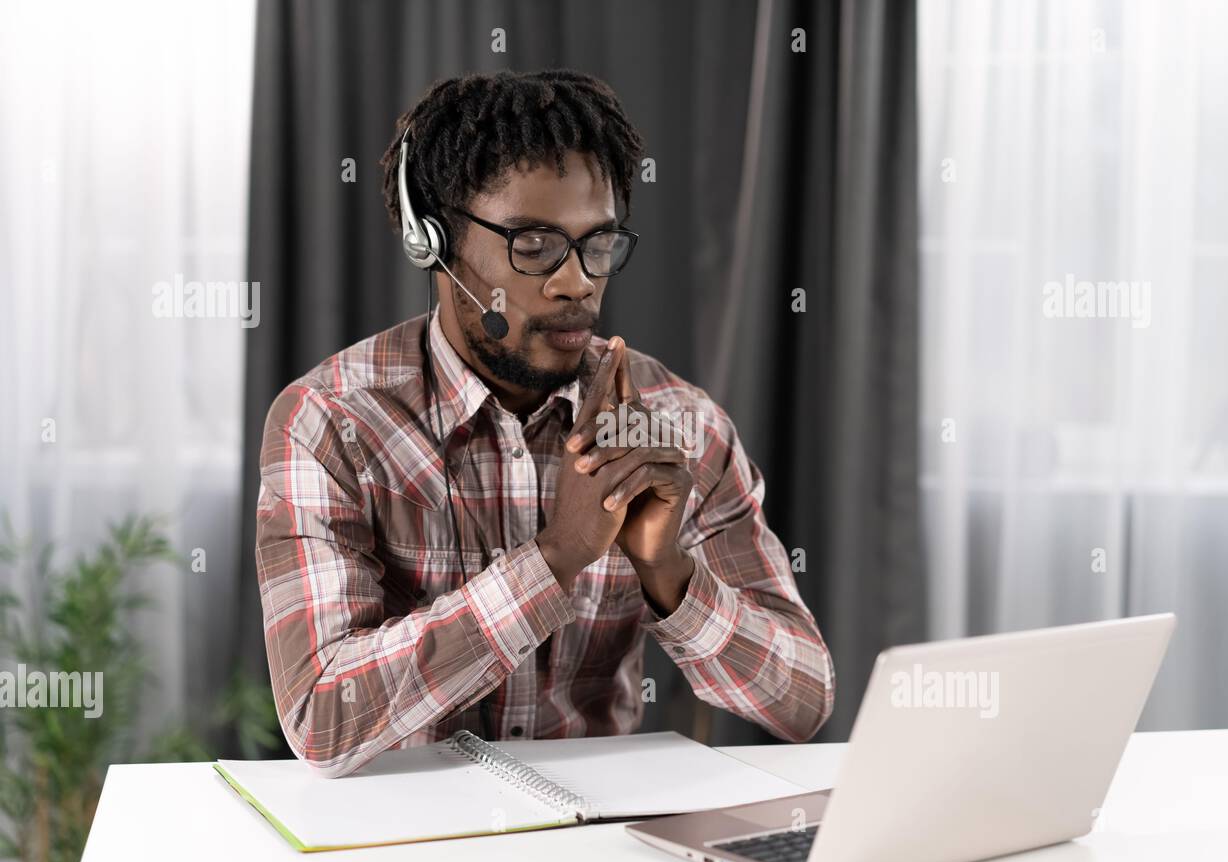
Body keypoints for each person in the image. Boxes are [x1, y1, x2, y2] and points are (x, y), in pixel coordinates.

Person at [254, 70, 834, 777]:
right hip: (406, 826)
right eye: (533, 245)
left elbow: (804, 701)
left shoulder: (679, 424)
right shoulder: (331, 422)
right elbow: (322, 718)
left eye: (599, 243)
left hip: (601, 826)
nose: (578, 281)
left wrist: (669, 573)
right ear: (432, 241)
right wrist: (558, 556)